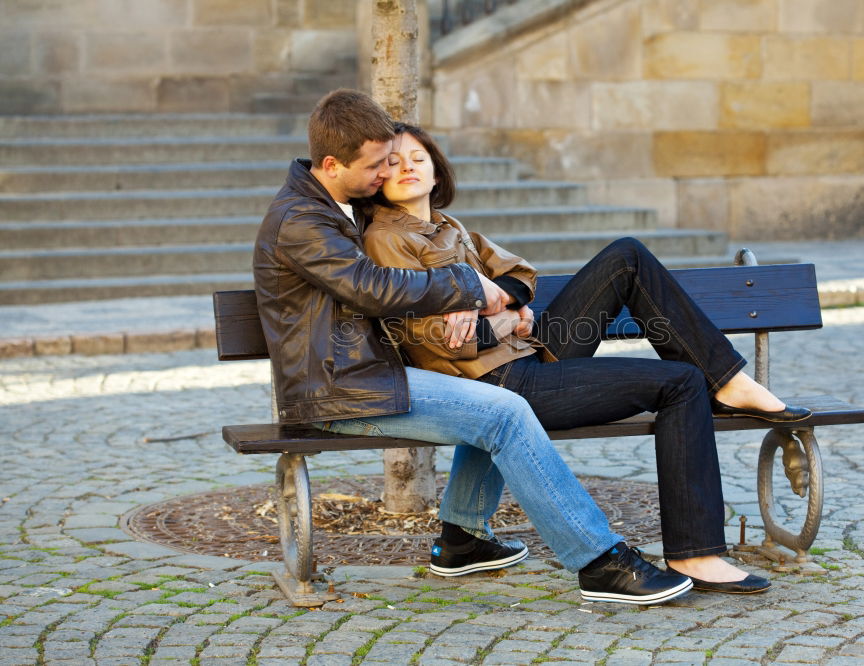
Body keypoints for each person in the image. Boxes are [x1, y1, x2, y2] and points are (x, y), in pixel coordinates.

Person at [252, 88, 694, 606]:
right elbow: (372, 287)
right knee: (505, 412)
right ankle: (599, 562)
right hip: (343, 389)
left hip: (374, 374)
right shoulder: (301, 220)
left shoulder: (331, 206)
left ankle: (462, 540)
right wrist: (467, 287)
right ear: (331, 164)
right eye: (375, 165)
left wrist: (494, 303)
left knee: (484, 400)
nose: (382, 175)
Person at [361, 123, 814, 594]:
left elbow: (519, 274)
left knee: (626, 258)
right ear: (377, 180)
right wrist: (502, 320)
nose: (407, 167)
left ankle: (726, 379)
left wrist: (509, 302)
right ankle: (696, 553)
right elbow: (438, 339)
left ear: (437, 173)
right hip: (500, 382)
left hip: (529, 353)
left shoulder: (451, 229)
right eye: (392, 162)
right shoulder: (385, 241)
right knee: (680, 383)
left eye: (417, 157)